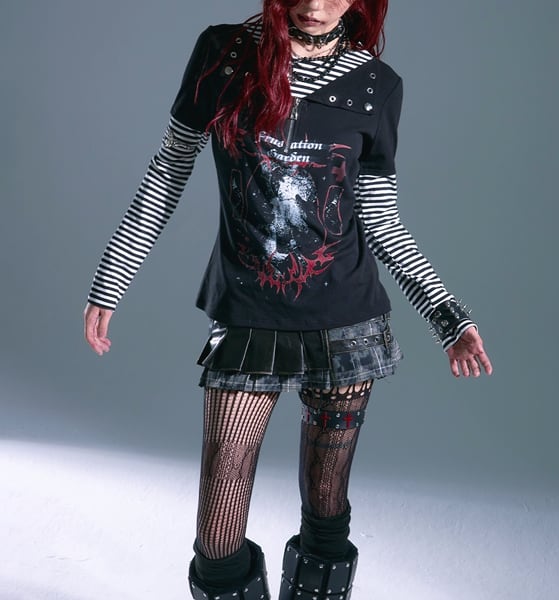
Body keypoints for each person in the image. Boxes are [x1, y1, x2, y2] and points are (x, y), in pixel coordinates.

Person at [84, 1, 493, 598]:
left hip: (346, 323)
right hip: (248, 316)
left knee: (326, 506)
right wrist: (112, 278)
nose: (316, 5)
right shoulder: (224, 54)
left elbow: (381, 220)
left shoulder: (376, 85)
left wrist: (447, 316)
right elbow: (169, 169)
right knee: (217, 537)